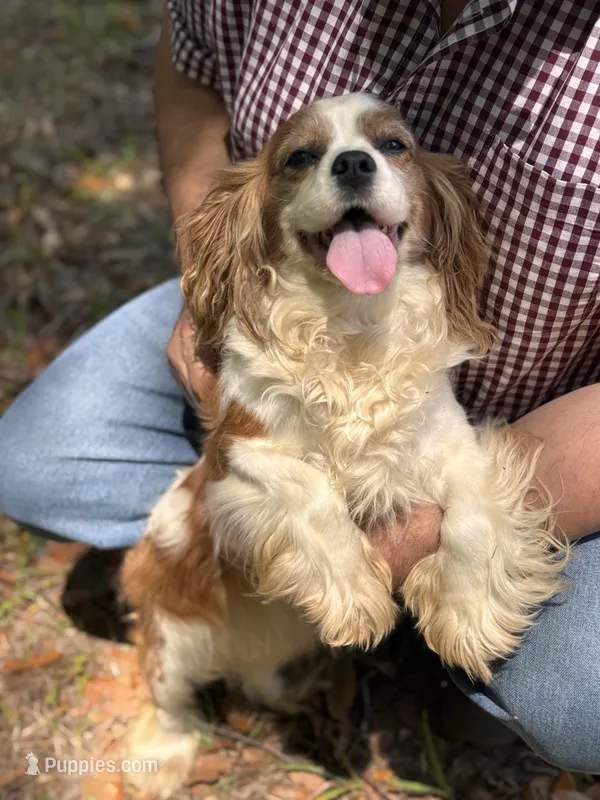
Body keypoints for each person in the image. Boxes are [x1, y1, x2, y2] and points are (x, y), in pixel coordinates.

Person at [1, 0, 599, 772]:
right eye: (305, 160)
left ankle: (400, 616)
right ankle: (285, 575)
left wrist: (422, 536)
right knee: (36, 459)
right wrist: (204, 283)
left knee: (585, 695)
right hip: (270, 330)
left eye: (387, 147)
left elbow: (466, 461)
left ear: (435, 201)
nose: (354, 164)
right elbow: (191, 68)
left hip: (563, 417)